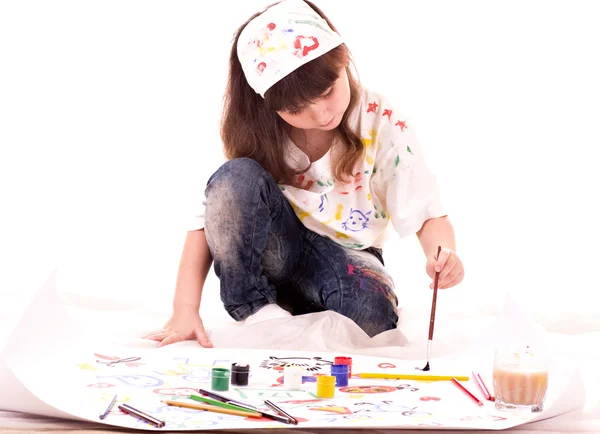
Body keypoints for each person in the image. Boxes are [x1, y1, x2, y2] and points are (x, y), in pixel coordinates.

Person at [144, 0, 464, 348]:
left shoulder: (381, 120)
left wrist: (443, 254)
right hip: (278, 251)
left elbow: (424, 209)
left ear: (343, 58)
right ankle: (257, 307)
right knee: (234, 177)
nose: (322, 113)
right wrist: (184, 309)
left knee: (374, 321)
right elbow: (215, 213)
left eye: (328, 92)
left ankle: (303, 312)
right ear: (269, 102)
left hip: (350, 255)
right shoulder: (261, 132)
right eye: (296, 109)